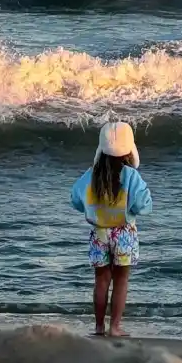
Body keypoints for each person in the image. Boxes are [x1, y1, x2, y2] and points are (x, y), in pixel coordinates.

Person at [70, 120, 152, 337]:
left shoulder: (91, 175)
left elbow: (75, 200)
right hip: (124, 233)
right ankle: (115, 327)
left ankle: (98, 327)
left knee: (101, 279)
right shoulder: (131, 176)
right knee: (121, 280)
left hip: (99, 233)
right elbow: (143, 205)